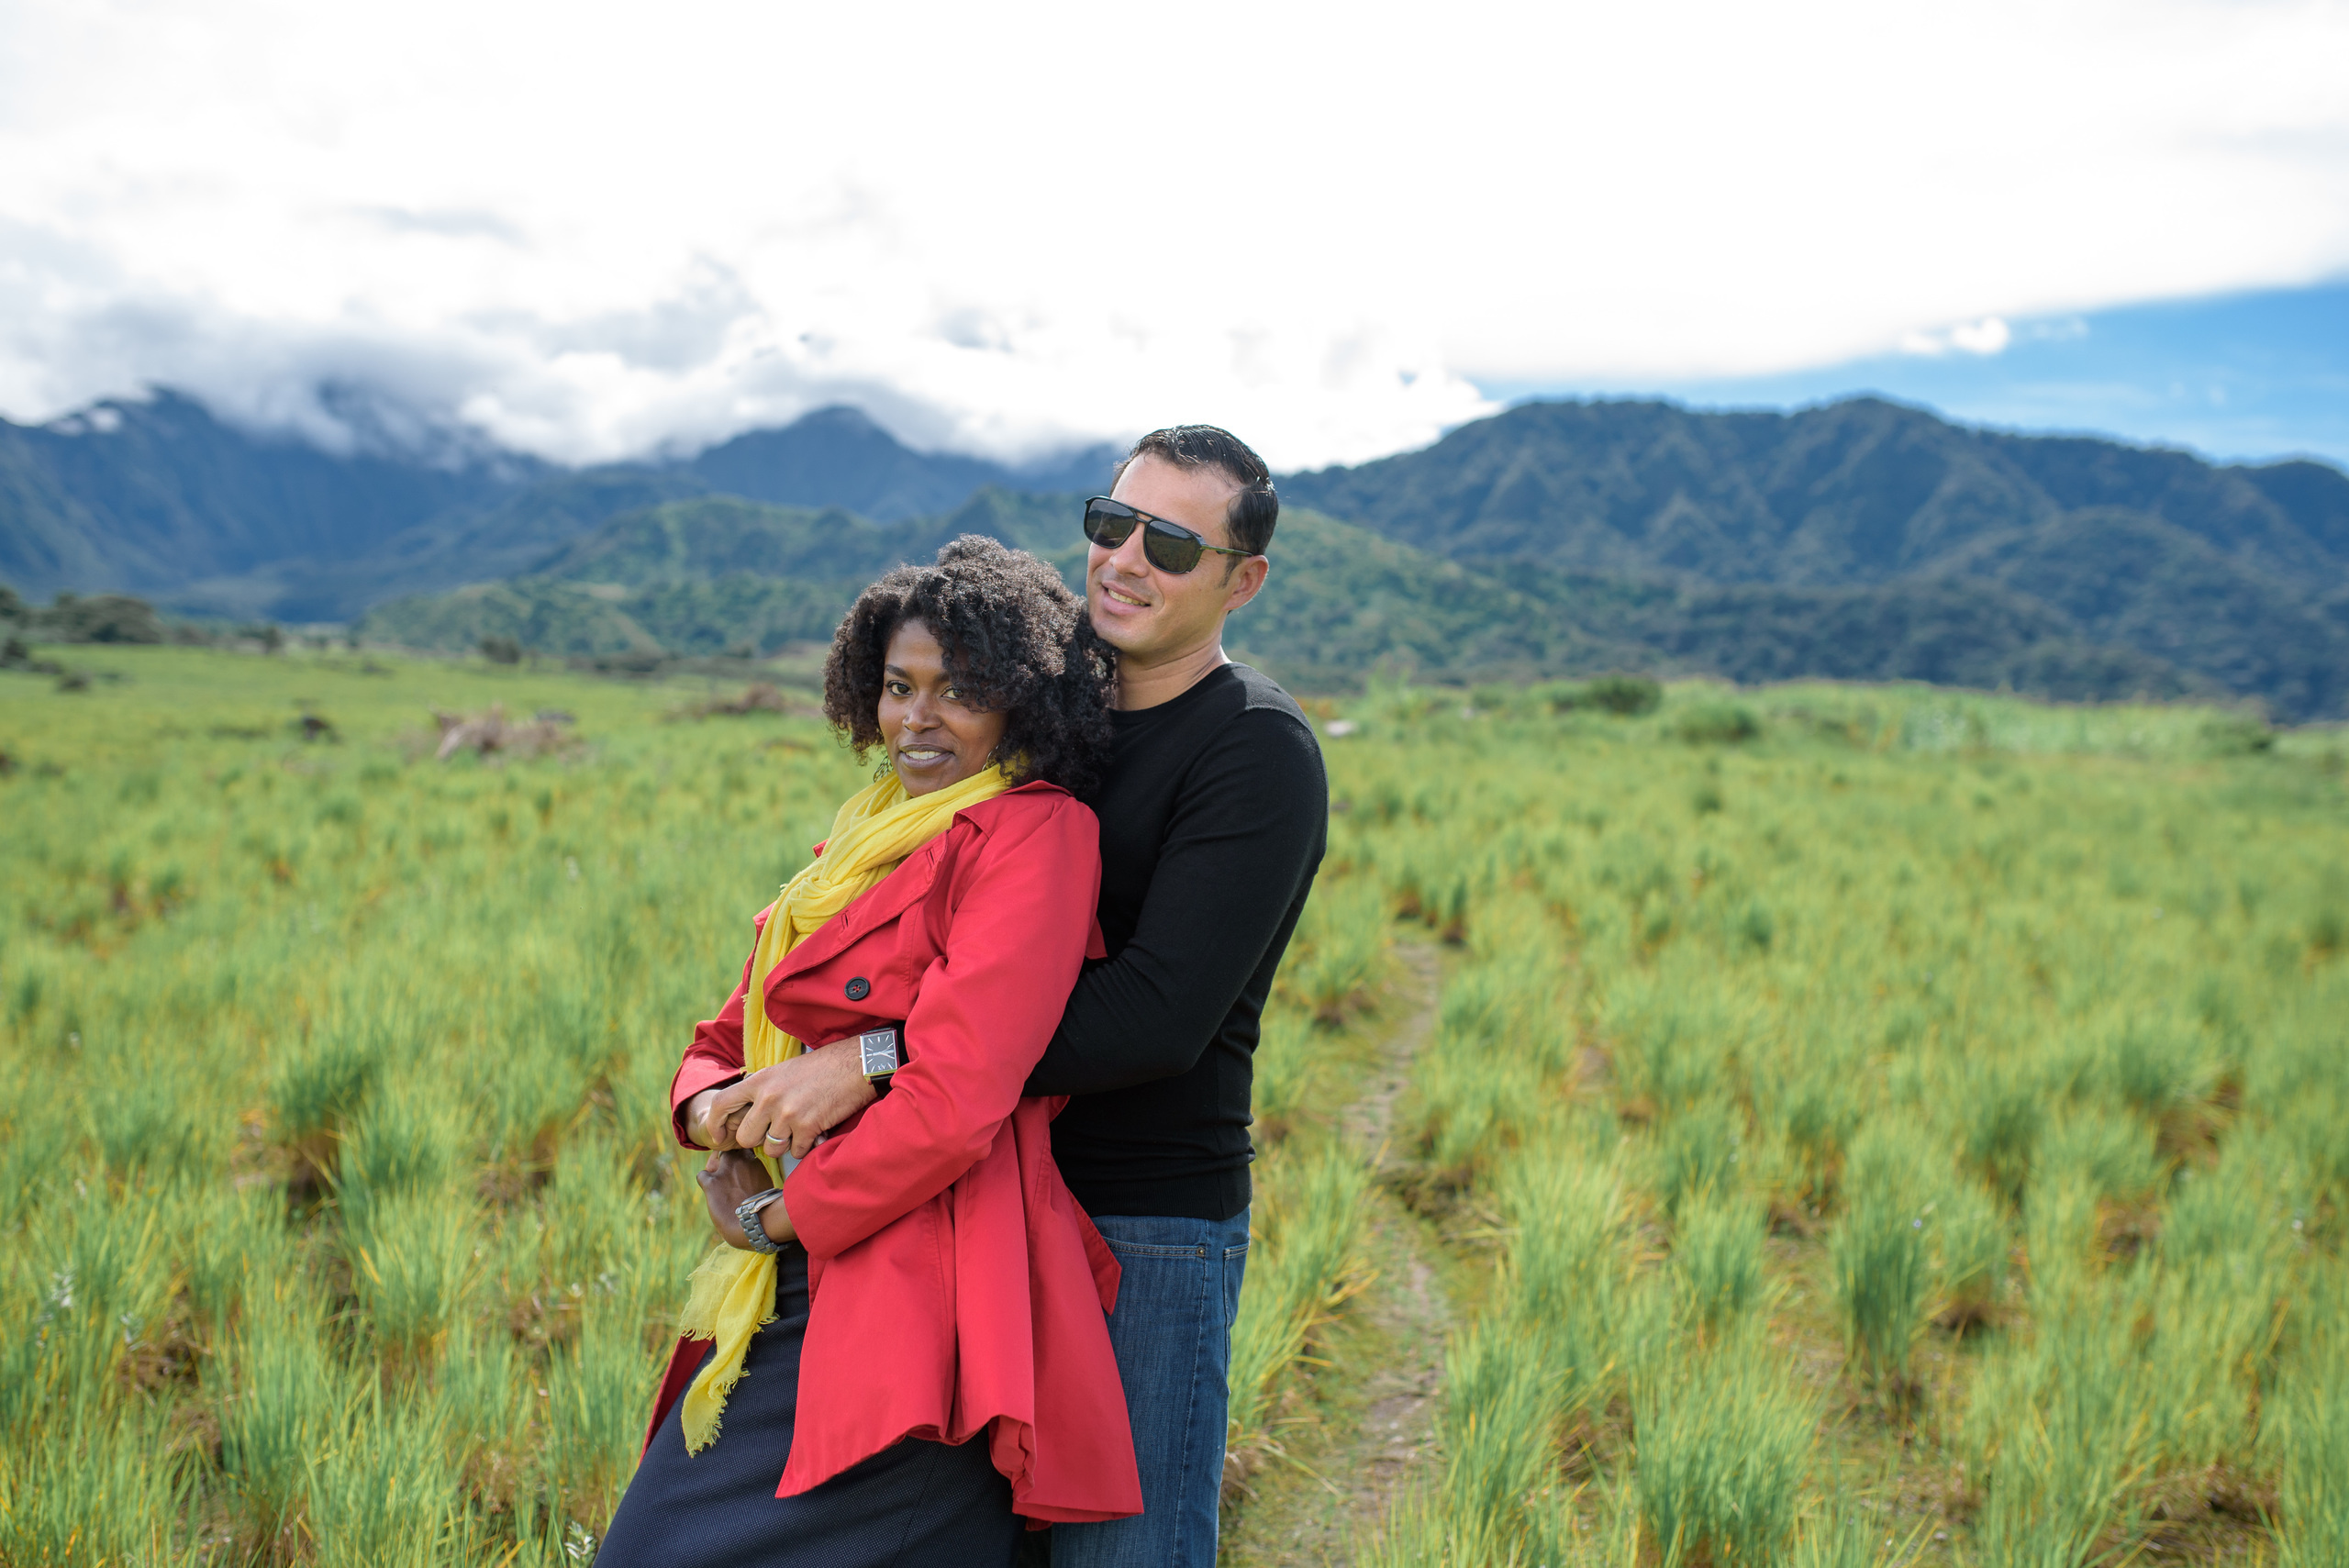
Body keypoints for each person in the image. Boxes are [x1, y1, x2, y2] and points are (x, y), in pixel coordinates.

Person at [733, 427, 1329, 1568]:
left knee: (1124, 1548)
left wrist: (869, 1061)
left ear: (1241, 581)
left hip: (1142, 1219)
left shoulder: (1253, 748)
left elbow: (1156, 1015)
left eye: (1170, 541)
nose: (1124, 559)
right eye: (1112, 523)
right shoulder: (1051, 721)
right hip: (979, 1200)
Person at [597, 537, 1143, 1567]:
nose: (916, 718)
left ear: (1024, 701)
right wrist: (719, 1114)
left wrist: (777, 1215)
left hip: (918, 1284)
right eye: (899, 687)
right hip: (811, 1274)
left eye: (959, 690)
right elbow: (725, 1033)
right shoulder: (858, 844)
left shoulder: (1034, 834)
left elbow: (957, 1091)